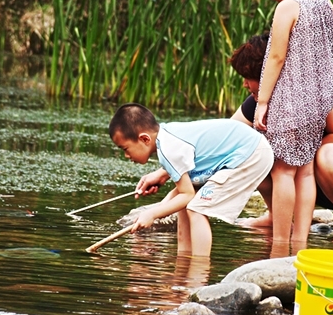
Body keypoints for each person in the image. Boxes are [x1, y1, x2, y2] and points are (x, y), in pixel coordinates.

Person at [230, 33, 333, 244]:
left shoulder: (316, 91)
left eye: (249, 78)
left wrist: (298, 150)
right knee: (258, 151)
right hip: (319, 185)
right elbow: (231, 131)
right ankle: (275, 217)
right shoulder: (260, 102)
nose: (244, 84)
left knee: (325, 154)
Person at [250, 0, 333, 244]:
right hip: (320, 101)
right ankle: (300, 242)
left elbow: (275, 57)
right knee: (305, 172)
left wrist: (263, 102)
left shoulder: (288, 6)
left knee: (282, 171)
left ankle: (279, 245)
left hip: (290, 102)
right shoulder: (326, 2)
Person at [108, 103, 273, 257]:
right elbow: (182, 194)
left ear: (144, 139)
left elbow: (187, 195)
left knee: (197, 209)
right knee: (187, 204)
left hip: (250, 154)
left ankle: (199, 271)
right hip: (250, 148)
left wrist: (151, 214)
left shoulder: (169, 149)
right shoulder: (167, 138)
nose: (127, 156)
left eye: (125, 149)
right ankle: (184, 257)